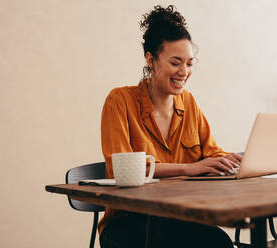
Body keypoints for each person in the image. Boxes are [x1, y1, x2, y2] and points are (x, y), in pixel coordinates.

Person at [99, 5, 242, 248]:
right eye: (175, 62)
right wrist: (189, 169)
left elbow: (211, 153)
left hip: (178, 218)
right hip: (128, 223)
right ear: (151, 60)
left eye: (189, 63)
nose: (184, 72)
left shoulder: (188, 102)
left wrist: (232, 161)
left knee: (220, 243)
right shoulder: (119, 101)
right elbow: (118, 169)